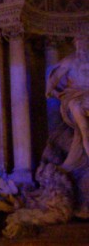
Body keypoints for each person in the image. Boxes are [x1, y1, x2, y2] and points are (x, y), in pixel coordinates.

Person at [45, 36, 89, 171]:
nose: (82, 46)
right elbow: (53, 80)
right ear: (76, 44)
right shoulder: (69, 61)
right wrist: (52, 92)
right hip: (76, 98)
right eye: (80, 43)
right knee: (85, 130)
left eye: (85, 42)